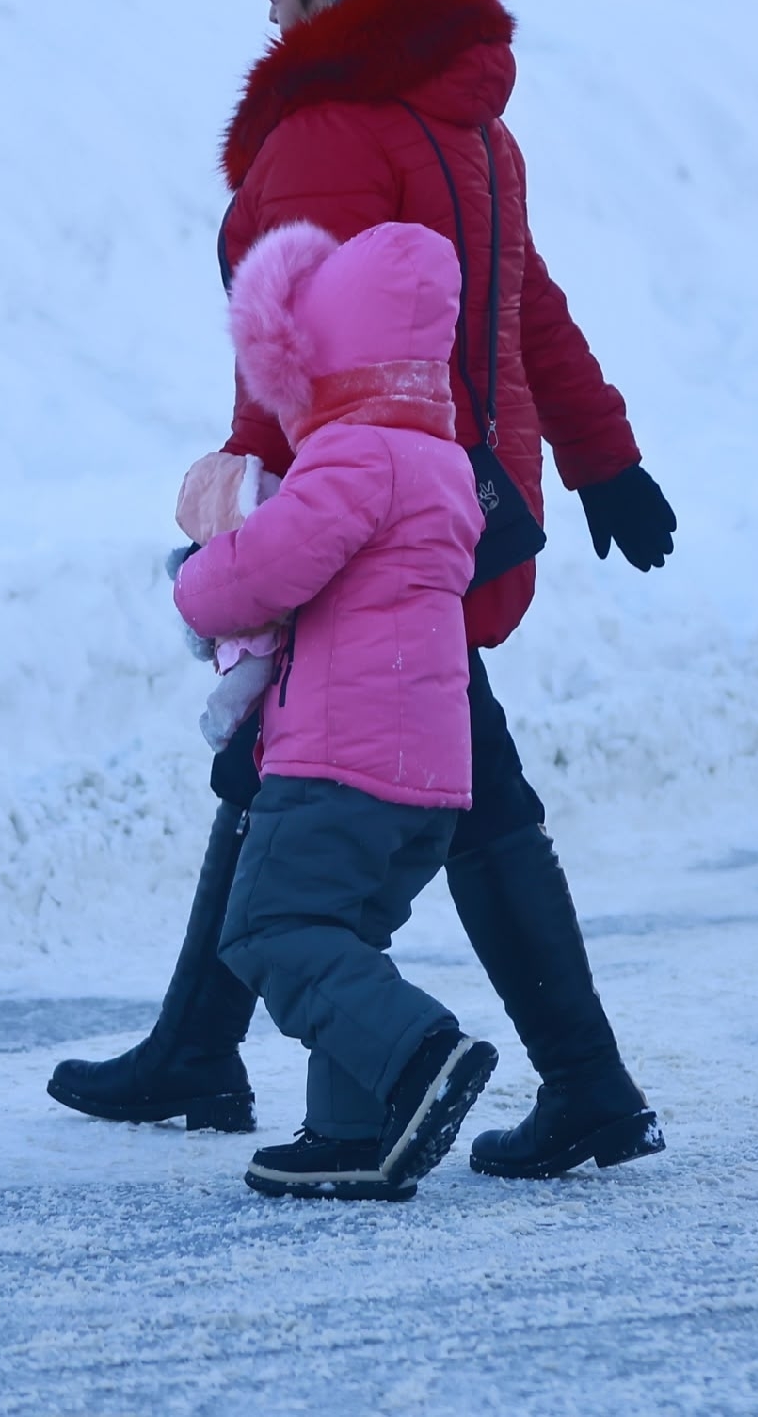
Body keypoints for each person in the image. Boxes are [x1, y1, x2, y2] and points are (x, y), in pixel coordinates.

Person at [51, 0, 680, 1180]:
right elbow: (533, 309)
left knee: (422, 780)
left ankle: (569, 1080)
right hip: (463, 498)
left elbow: (307, 341)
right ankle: (199, 1042)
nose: (267, 2)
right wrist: (602, 461)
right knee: (352, 759)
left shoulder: (330, 131)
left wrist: (264, 513)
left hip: (368, 508)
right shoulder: (469, 128)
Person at [176, 219, 492, 1200]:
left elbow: (265, 570)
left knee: (270, 927)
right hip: (425, 776)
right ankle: (348, 1130)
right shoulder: (437, 460)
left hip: (339, 764)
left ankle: (415, 1051)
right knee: (339, 934)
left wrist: (197, 575)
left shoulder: (356, 458)